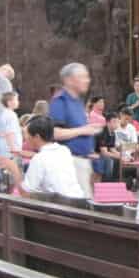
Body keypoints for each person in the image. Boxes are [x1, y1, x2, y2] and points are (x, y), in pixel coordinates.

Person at [49, 63, 103, 197]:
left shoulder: (78, 101)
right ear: (69, 80)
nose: (87, 80)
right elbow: (55, 133)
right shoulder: (60, 101)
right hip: (70, 163)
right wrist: (84, 130)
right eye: (83, 77)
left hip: (84, 162)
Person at [19, 116, 84, 199]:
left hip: (60, 206)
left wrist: (13, 169)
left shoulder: (39, 158)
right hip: (78, 199)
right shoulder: (64, 150)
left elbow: (25, 193)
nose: (25, 139)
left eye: (27, 135)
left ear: (37, 137)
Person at [0, 92, 23, 160]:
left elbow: (1, 132)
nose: (18, 102)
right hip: (10, 148)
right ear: (9, 102)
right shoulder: (11, 115)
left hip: (4, 147)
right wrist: (13, 149)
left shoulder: (4, 114)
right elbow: (10, 133)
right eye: (16, 100)